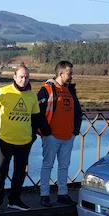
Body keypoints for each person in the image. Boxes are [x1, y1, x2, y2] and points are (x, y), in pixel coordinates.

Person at [0, 64, 43, 212]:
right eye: (21, 77)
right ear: (14, 77)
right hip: (5, 140)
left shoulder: (32, 96)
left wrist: (32, 136)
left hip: (24, 142)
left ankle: (15, 200)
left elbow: (36, 118)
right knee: (1, 173)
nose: (24, 80)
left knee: (20, 173)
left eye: (26, 77)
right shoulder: (2, 92)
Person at [37, 61, 82, 207]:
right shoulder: (46, 90)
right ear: (61, 73)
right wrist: (46, 132)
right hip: (52, 136)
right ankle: (44, 195)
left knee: (64, 166)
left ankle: (63, 193)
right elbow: (38, 113)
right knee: (47, 165)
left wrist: (75, 131)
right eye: (69, 73)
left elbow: (77, 112)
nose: (71, 76)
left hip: (68, 136)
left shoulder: (70, 90)